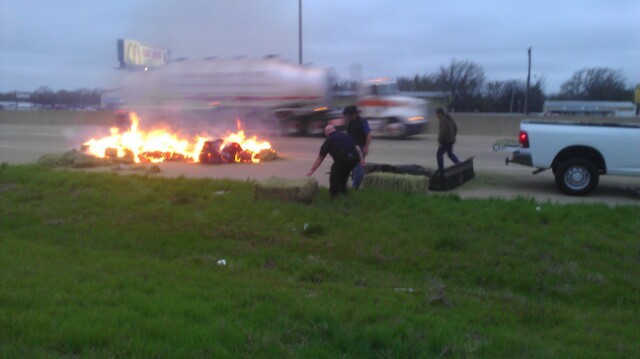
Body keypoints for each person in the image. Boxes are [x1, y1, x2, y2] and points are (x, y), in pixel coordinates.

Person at [307, 125, 365, 197]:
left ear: (326, 133)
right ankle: (343, 193)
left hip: (343, 159)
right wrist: (362, 159)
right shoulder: (346, 135)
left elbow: (320, 158)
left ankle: (334, 197)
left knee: (334, 178)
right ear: (334, 130)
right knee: (344, 175)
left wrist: (311, 171)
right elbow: (358, 148)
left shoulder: (329, 140)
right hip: (354, 159)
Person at [343, 105, 371, 189]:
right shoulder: (349, 122)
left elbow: (369, 135)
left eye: (348, 115)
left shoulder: (362, 122)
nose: (346, 117)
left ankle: (356, 187)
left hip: (361, 148)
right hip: (350, 148)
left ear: (353, 114)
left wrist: (366, 147)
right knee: (351, 167)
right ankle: (352, 182)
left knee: (358, 168)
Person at [435, 107, 460, 176]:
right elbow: (455, 127)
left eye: (436, 114)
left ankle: (441, 171)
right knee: (450, 154)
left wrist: (439, 140)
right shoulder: (449, 118)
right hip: (451, 140)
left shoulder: (442, 120)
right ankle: (459, 165)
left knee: (439, 154)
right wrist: (453, 136)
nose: (436, 116)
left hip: (445, 141)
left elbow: (443, 131)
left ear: (439, 113)